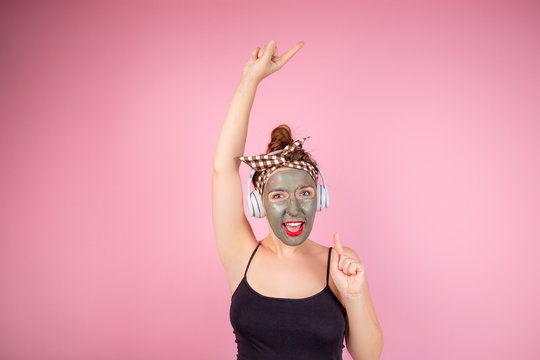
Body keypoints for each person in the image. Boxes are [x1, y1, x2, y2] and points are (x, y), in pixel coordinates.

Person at [212, 40, 384, 360]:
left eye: (304, 193)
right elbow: (223, 169)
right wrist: (251, 79)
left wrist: (355, 296)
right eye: (278, 195)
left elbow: (368, 356)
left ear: (319, 198)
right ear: (258, 203)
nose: (294, 208)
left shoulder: (339, 264)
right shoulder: (241, 254)